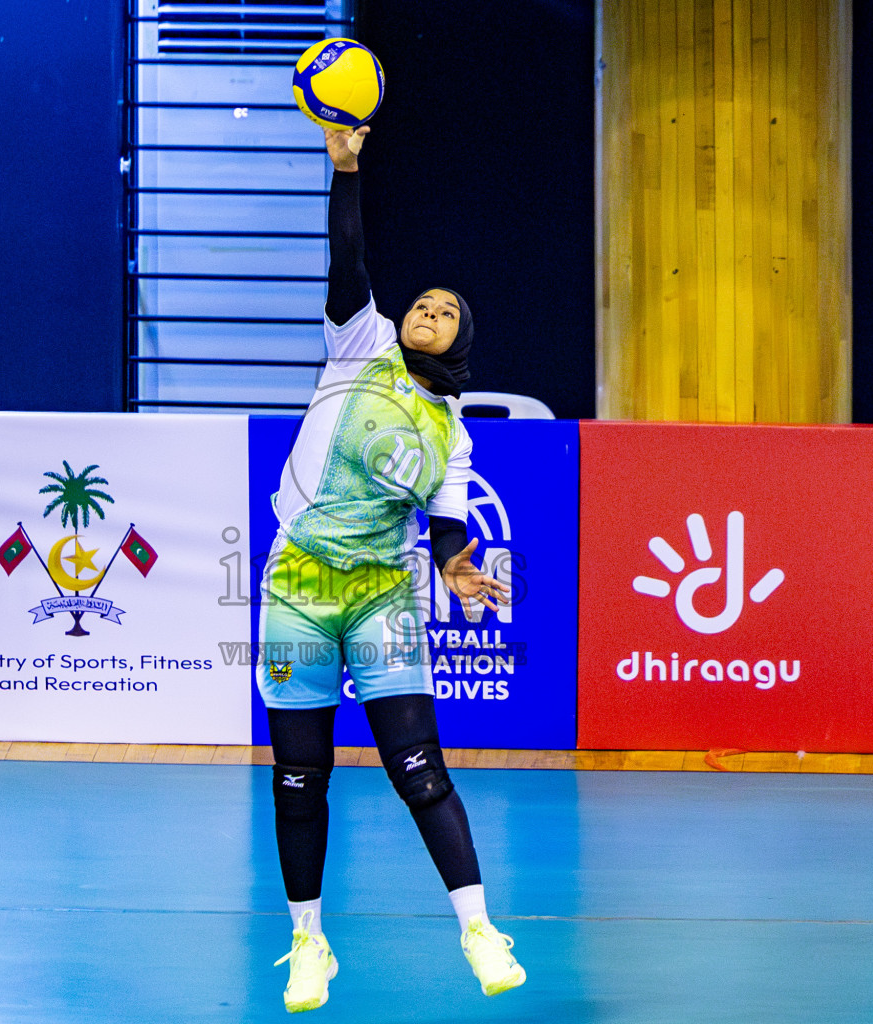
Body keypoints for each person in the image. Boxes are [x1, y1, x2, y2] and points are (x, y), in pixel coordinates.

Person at [258, 123, 527, 1013]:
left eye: (447, 310)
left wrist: (456, 570)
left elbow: (447, 528)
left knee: (418, 767)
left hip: (380, 593)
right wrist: (346, 170)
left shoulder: (452, 432)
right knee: (300, 776)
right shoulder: (359, 344)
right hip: (298, 586)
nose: (428, 310)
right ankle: (307, 942)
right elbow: (349, 258)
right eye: (423, 301)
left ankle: (479, 930)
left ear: (459, 339)